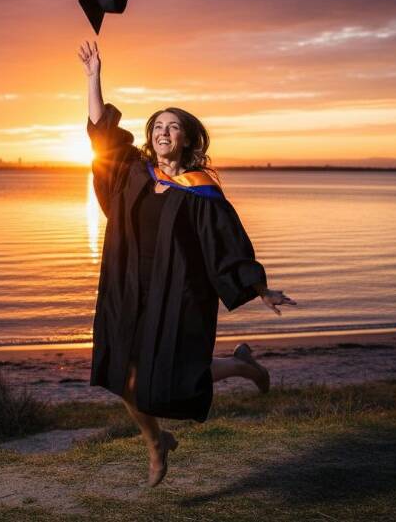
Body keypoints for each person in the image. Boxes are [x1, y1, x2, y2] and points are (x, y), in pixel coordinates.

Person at [77, 40, 296, 487]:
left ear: (187, 139)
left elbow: (227, 243)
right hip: (129, 287)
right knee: (124, 374)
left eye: (173, 127)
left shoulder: (201, 191)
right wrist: (93, 76)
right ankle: (157, 443)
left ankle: (241, 366)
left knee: (176, 374)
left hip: (176, 293)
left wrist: (259, 288)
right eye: (157, 125)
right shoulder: (135, 172)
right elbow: (101, 135)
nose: (163, 131)